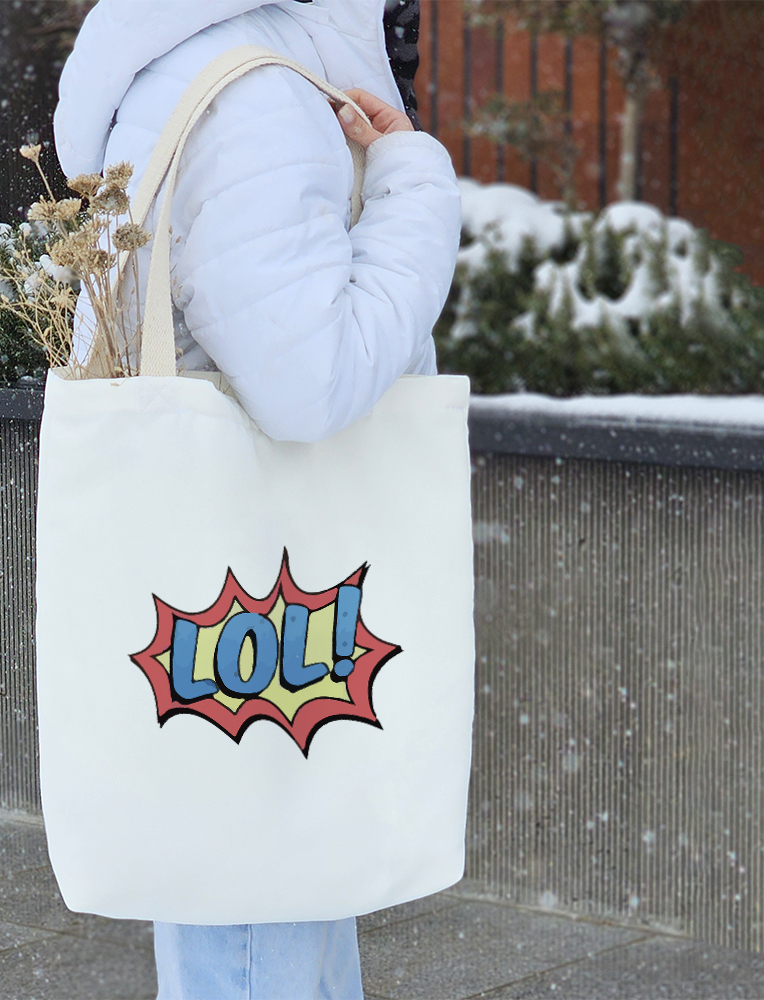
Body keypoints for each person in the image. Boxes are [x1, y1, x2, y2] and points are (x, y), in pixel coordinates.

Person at [53, 1, 461, 996]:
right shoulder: (255, 94)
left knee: (259, 882)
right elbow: (308, 384)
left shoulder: (207, 61)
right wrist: (413, 185)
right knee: (258, 913)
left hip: (237, 602)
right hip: (268, 613)